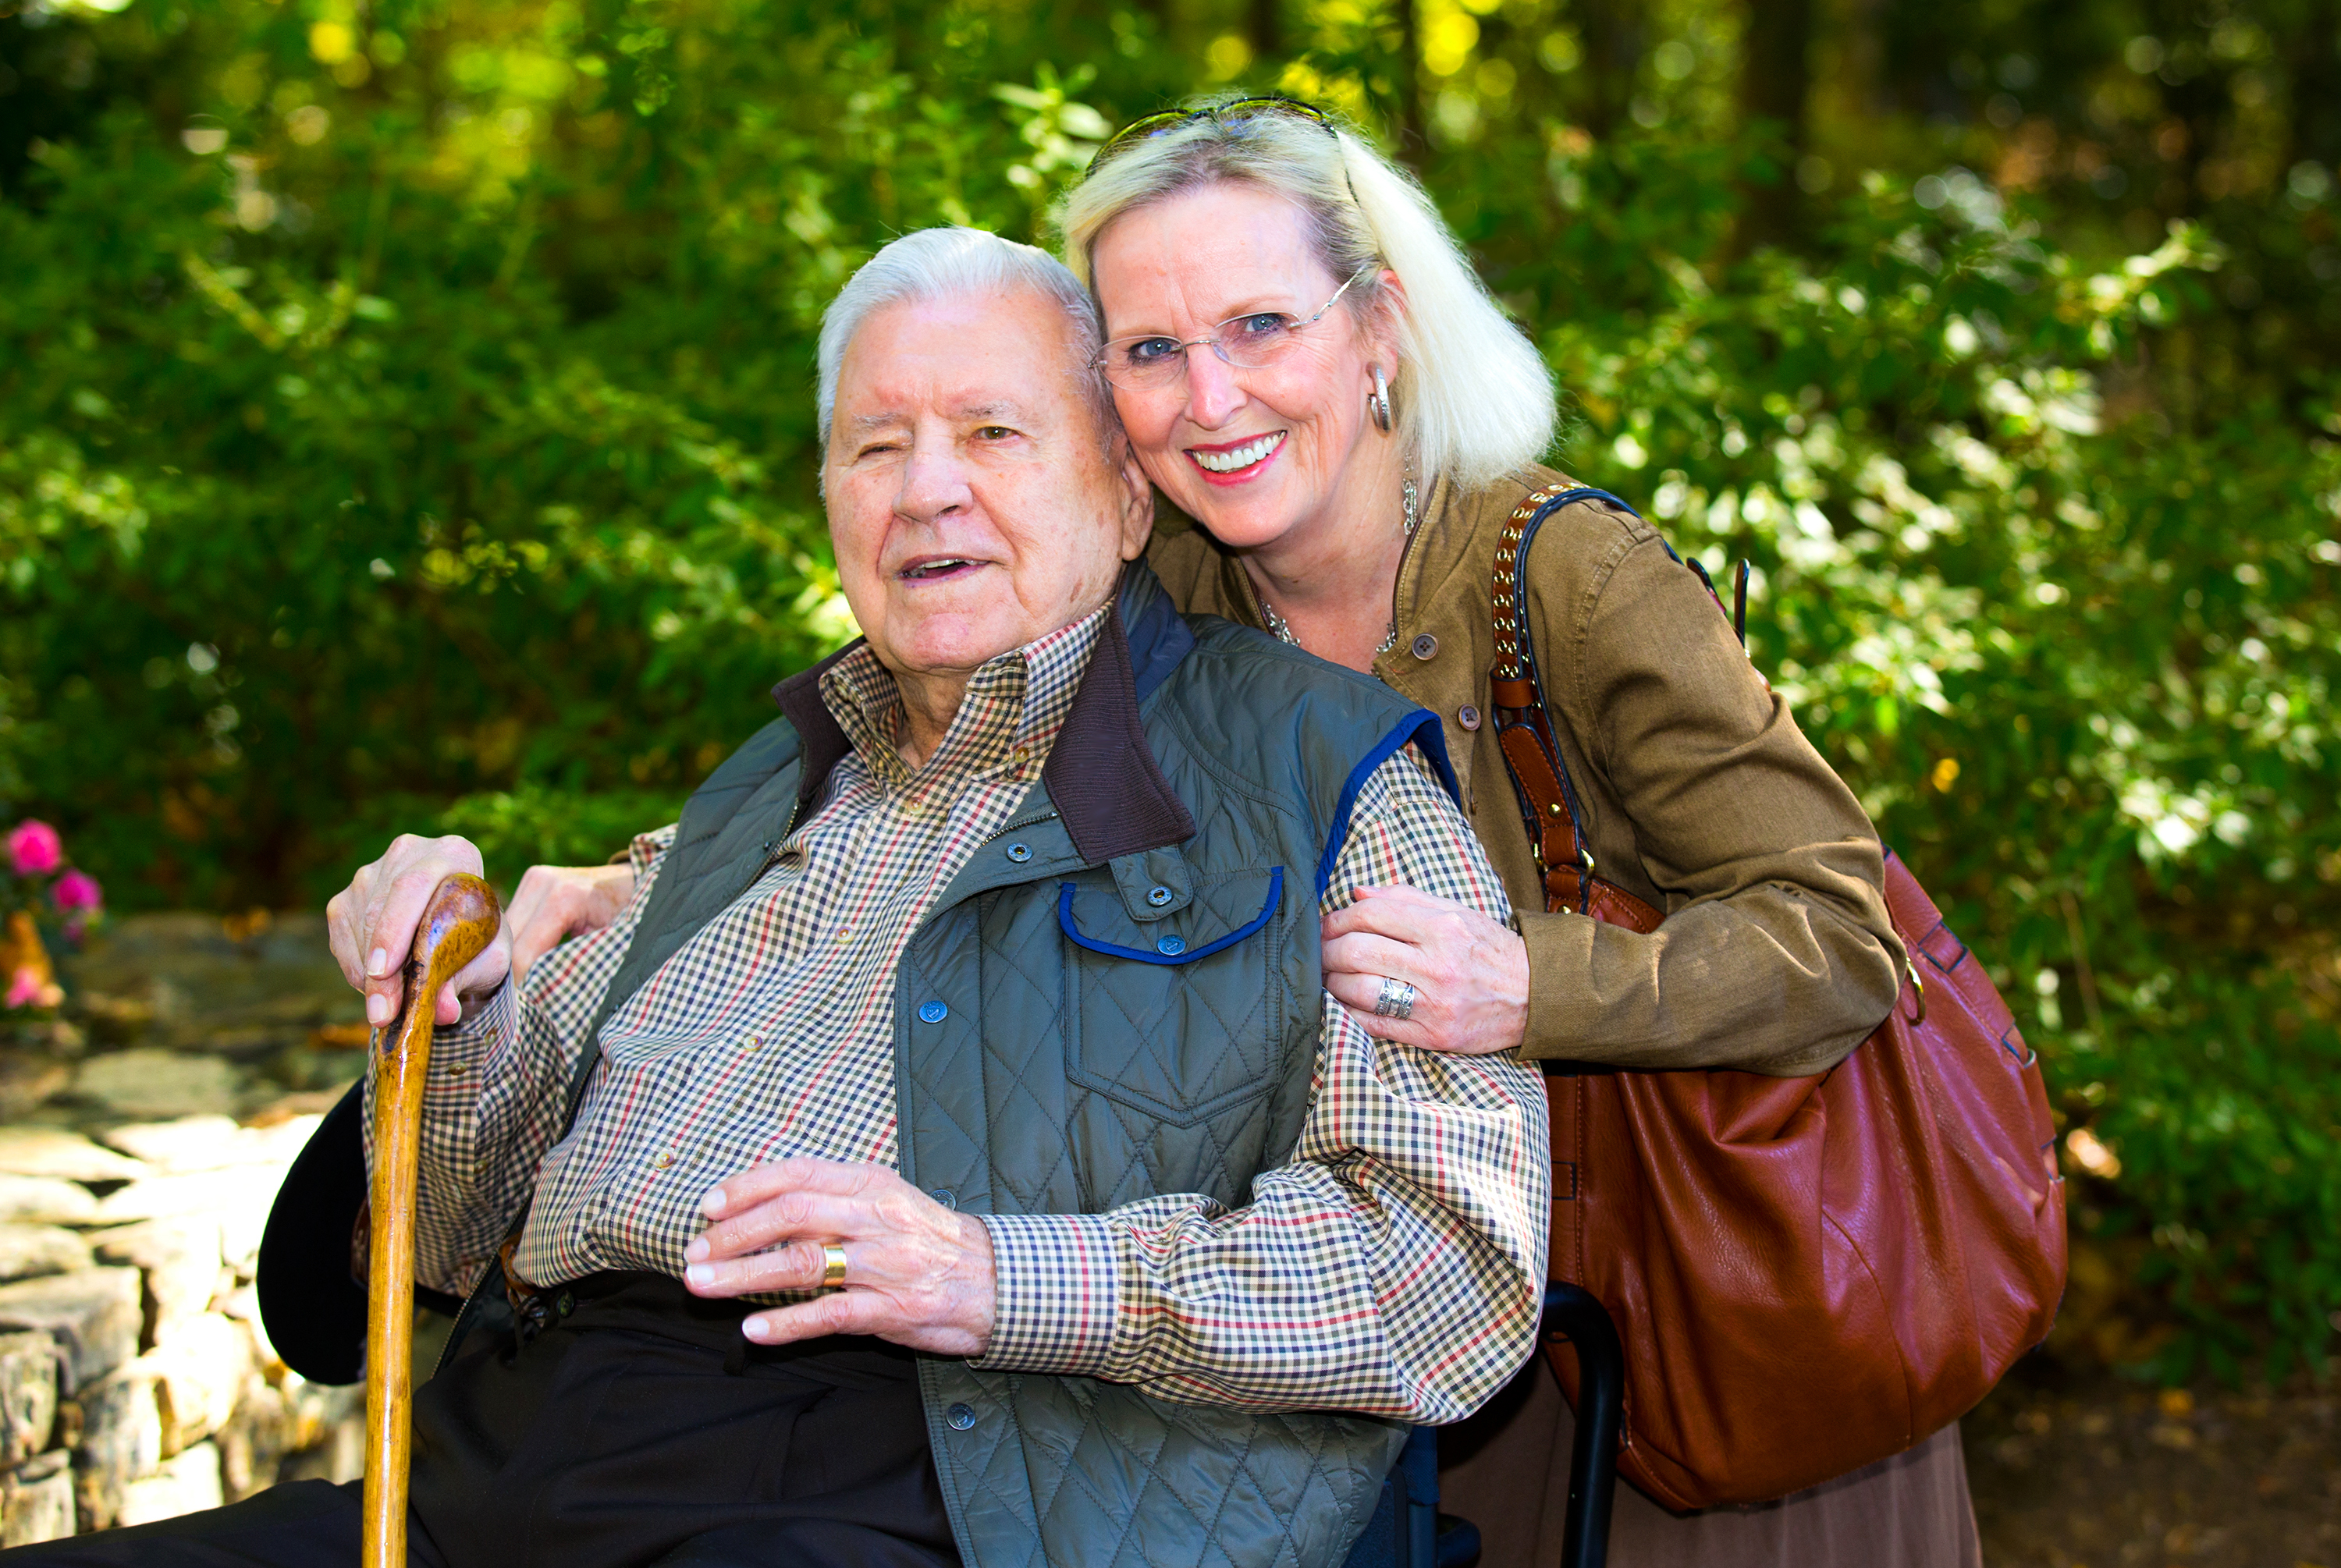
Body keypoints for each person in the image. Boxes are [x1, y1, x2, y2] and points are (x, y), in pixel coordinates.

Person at [489, 99, 1987, 1563]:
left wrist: (1533, 982)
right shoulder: (1192, 574)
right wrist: (646, 881)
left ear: (1376, 327)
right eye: (1152, 349)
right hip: (1384, 1301)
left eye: (1261, 326)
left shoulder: (1568, 577)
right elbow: (945, 772)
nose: (1210, 398)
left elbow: (1842, 934)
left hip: (1689, 1268)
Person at [1, 228, 1549, 1568]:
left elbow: (1446, 1275)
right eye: (876, 444)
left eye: (992, 435)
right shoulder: (751, 799)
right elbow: (437, 1236)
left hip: (912, 1489)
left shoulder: (1322, 788)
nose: (925, 489)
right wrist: (445, 995)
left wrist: (992, 1274)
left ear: (1130, 496)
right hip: (498, 1481)